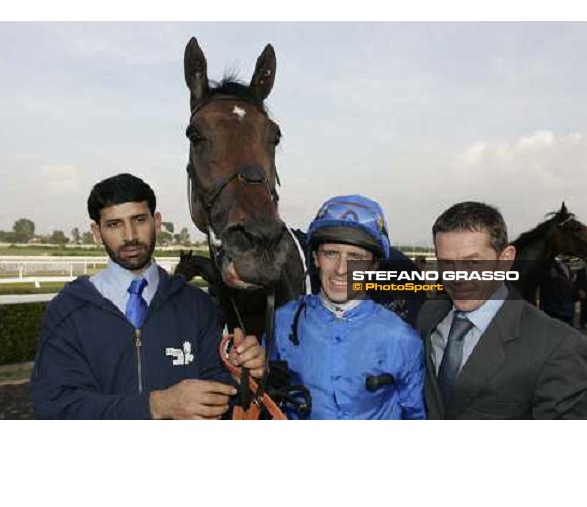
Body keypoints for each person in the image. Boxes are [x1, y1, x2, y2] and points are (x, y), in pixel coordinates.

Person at [31, 173, 265, 419]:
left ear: (157, 221)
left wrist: (240, 374)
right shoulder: (67, 310)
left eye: (139, 220)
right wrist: (155, 405)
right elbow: (55, 406)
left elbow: (221, 397)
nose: (130, 235)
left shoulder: (196, 304)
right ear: (97, 232)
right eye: (114, 224)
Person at [417, 201, 587, 419]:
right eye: (446, 263)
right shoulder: (428, 317)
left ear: (505, 260)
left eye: (473, 262)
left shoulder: (560, 346)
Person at [269, 195, 426, 420]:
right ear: (315, 258)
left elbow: (416, 416)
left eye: (356, 257)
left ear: (374, 267)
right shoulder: (284, 321)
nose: (342, 269)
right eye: (331, 253)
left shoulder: (402, 339)